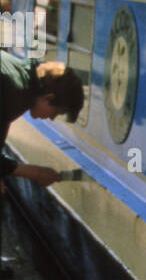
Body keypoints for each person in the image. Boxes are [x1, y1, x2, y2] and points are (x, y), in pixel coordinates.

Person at [0, 54, 83, 190]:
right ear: (48, 98)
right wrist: (36, 172)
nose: (51, 118)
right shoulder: (13, 92)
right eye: (55, 112)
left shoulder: (21, 74)